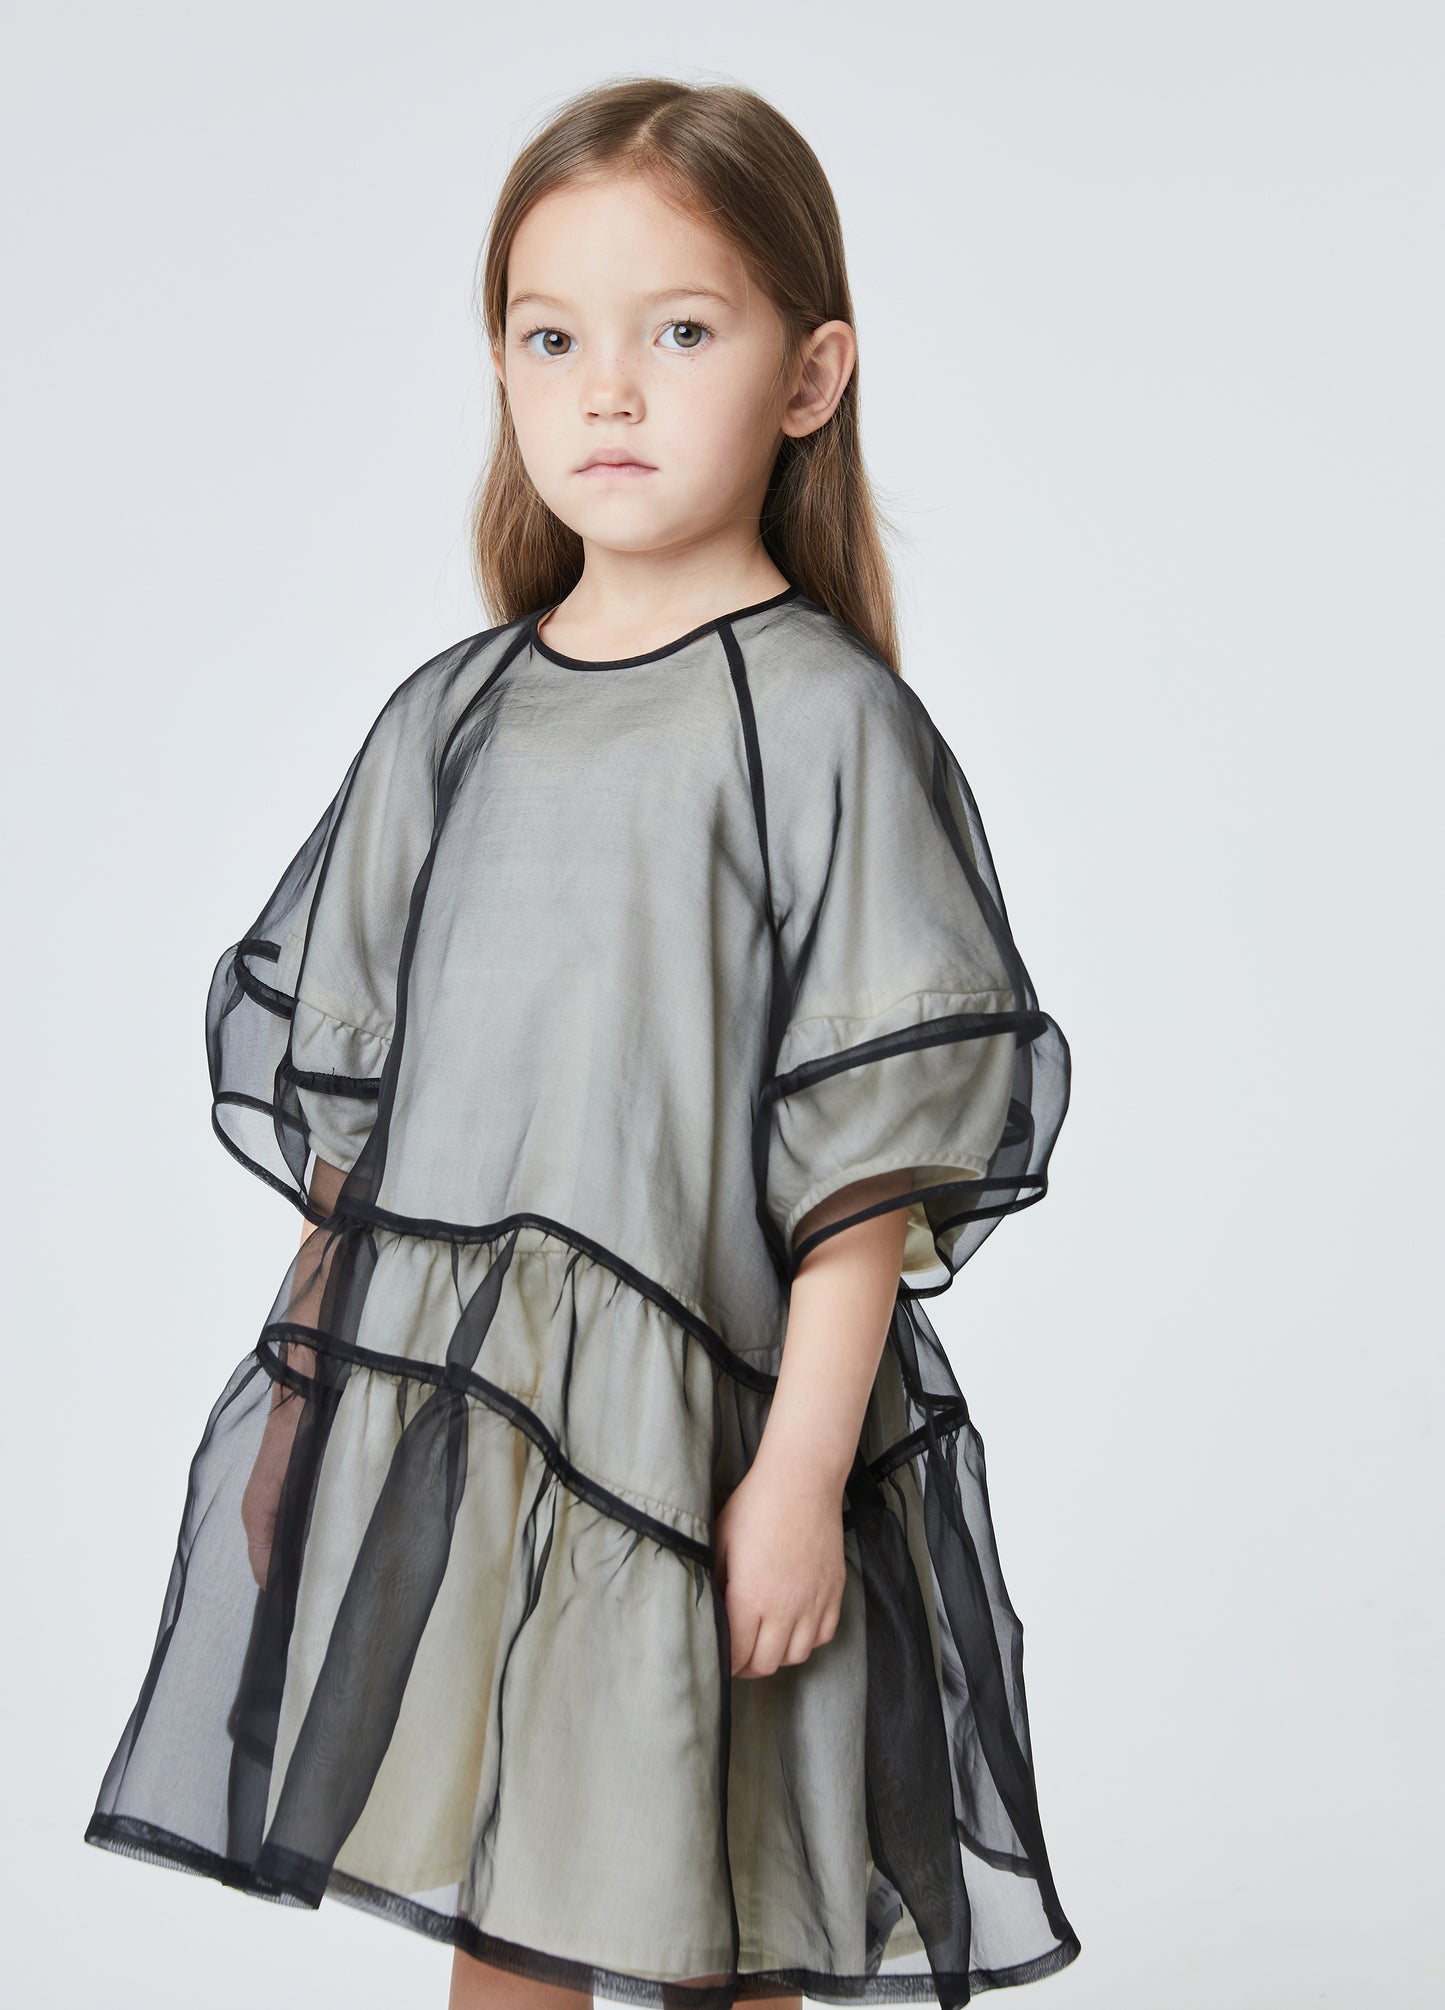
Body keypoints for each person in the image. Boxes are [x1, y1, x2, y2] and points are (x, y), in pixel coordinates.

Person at [83, 74, 1080, 2010]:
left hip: (721, 1452)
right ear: (502, 370)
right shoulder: (448, 721)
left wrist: (799, 1477)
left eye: (677, 332)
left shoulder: (823, 727)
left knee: (725, 1933)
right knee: (507, 1922)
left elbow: (866, 1158)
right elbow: (361, 1129)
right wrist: (302, 1414)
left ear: (808, 375)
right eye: (552, 339)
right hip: (475, 1447)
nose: (606, 390)